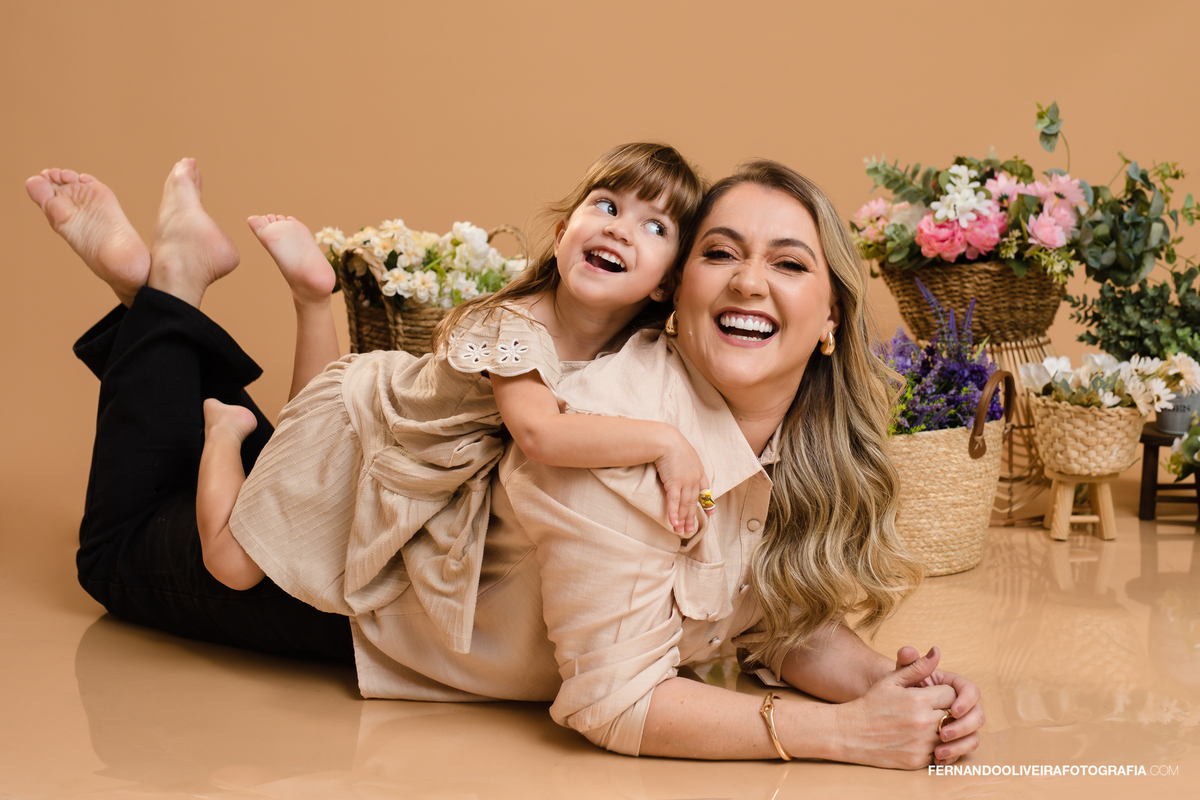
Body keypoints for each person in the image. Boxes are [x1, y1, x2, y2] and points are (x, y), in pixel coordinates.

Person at [27, 155, 983, 769]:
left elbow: (755, 616)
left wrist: (891, 691)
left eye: (789, 263)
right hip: (366, 596)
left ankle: (164, 301)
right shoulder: (619, 448)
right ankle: (164, 289)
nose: (747, 280)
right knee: (120, 554)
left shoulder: (767, 444)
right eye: (722, 252)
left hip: (393, 502)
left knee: (259, 460)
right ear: (679, 296)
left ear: (831, 323)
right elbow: (612, 704)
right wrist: (839, 737)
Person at [196, 143, 714, 612]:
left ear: (667, 283)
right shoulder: (513, 326)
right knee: (232, 564)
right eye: (607, 205)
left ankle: (310, 299)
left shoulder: (639, 354)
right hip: (370, 423)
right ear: (561, 236)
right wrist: (665, 442)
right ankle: (226, 427)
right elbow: (539, 435)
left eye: (655, 226)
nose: (619, 228)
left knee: (295, 446)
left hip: (422, 459)